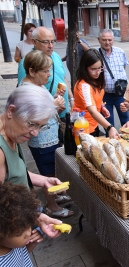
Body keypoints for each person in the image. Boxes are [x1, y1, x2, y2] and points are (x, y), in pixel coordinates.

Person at [0, 86, 67, 237]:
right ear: (11, 111)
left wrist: (43, 180)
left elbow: (14, 171)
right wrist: (35, 217)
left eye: (40, 126)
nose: (35, 132)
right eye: (31, 124)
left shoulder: (11, 132)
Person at [18, 50, 73, 218]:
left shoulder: (37, 85)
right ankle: (52, 206)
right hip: (41, 140)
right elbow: (32, 118)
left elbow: (44, 105)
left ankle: (55, 195)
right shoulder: (27, 90)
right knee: (47, 173)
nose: (49, 75)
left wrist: (55, 98)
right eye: (45, 71)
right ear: (32, 71)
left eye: (49, 70)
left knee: (53, 169)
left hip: (50, 137)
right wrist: (54, 106)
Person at [17, 26, 73, 120]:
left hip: (62, 113)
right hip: (43, 118)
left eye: (52, 41)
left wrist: (71, 98)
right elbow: (25, 94)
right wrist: (52, 104)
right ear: (34, 42)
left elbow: (63, 77)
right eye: (45, 42)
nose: (50, 46)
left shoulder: (56, 56)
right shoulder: (27, 62)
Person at [73, 49, 118, 138]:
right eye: (93, 69)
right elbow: (92, 111)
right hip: (83, 129)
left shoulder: (94, 80)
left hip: (93, 125)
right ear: (85, 68)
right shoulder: (84, 86)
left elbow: (94, 97)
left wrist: (101, 106)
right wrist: (110, 127)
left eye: (99, 68)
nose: (98, 72)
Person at [0, 183, 42, 266]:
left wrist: (33, 242)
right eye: (19, 233)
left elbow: (21, 255)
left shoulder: (11, 243)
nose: (28, 233)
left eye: (28, 225)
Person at [98, 29, 129, 128]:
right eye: (104, 40)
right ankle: (110, 141)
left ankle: (127, 141)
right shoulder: (96, 54)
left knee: (125, 120)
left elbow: (124, 67)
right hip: (104, 94)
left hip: (120, 93)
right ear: (99, 40)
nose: (107, 42)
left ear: (113, 40)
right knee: (108, 122)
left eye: (110, 40)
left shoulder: (120, 52)